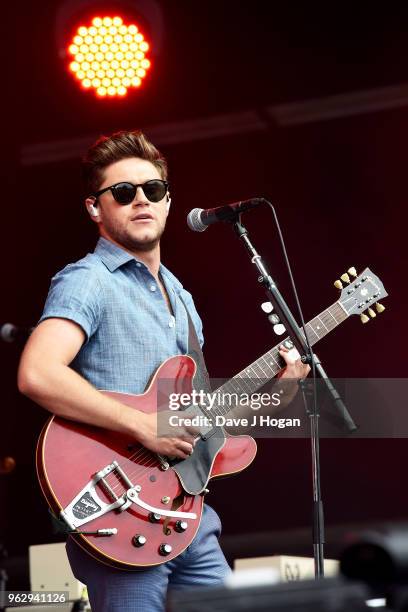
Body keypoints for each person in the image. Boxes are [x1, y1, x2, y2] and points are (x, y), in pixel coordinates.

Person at [18, 130, 309, 611]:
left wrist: (280, 393)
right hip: (121, 512)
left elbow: (201, 419)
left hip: (188, 514)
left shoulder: (182, 298)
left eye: (153, 190)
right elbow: (38, 373)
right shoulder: (87, 281)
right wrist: (142, 426)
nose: (140, 201)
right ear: (96, 208)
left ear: (169, 201)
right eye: (123, 192)